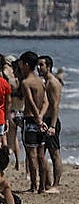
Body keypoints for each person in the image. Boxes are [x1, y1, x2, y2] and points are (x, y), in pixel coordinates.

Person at [16, 51, 49, 193]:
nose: (21, 67)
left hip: (30, 120)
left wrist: (37, 118)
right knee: (41, 155)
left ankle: (34, 186)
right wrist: (41, 117)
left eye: (22, 64)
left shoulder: (25, 82)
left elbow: (30, 101)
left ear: (27, 65)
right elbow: (46, 102)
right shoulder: (40, 81)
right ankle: (42, 186)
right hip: (40, 120)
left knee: (32, 155)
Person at [37, 55, 63, 193]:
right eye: (38, 65)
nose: (38, 67)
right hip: (45, 121)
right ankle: (47, 182)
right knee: (42, 153)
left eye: (41, 65)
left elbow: (55, 106)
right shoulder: (45, 81)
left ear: (49, 67)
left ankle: (56, 185)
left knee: (55, 154)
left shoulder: (53, 82)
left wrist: (52, 126)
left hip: (51, 122)